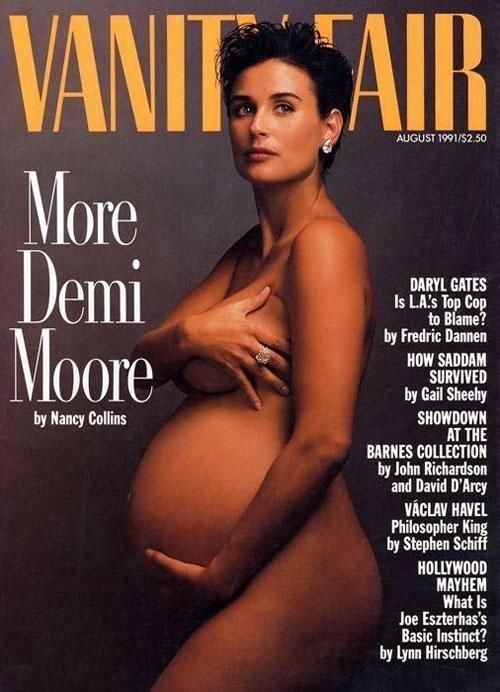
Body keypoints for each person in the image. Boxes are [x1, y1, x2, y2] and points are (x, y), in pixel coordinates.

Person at [128, 22, 381, 690]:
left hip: (297, 578)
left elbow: (324, 441)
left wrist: (225, 574)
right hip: (249, 574)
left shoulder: (325, 247)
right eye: (243, 108)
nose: (257, 126)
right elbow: (139, 368)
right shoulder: (250, 251)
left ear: (330, 128)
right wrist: (192, 337)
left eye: (283, 107)